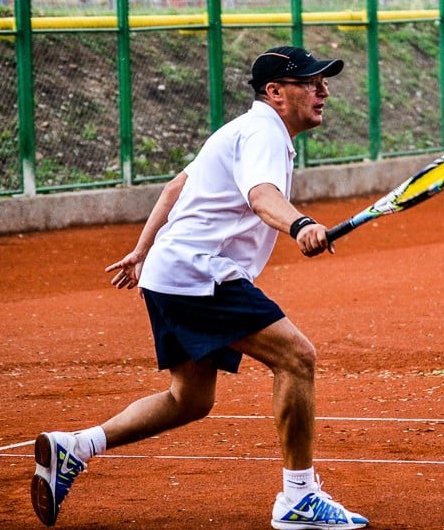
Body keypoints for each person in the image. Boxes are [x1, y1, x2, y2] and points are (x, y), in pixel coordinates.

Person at [29, 46, 368, 529]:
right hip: (197, 273)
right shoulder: (264, 133)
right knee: (296, 357)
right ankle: (299, 497)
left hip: (171, 273)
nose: (323, 90)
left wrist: (143, 252)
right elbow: (261, 196)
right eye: (310, 82)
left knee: (189, 399)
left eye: (323, 81)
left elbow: (175, 188)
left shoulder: (239, 129)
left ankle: (75, 447)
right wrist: (300, 225)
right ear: (275, 93)